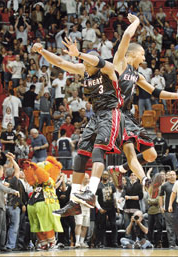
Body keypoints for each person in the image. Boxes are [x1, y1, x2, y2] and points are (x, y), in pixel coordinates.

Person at [32, 40, 125, 218]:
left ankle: (90, 192)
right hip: (95, 116)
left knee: (98, 152)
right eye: (83, 63)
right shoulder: (84, 70)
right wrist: (42, 51)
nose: (83, 66)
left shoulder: (107, 69)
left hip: (110, 113)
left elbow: (98, 62)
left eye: (87, 62)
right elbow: (60, 63)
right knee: (81, 155)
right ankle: (74, 202)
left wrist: (79, 54)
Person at [106, 14, 178, 182]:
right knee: (130, 152)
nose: (144, 57)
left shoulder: (137, 75)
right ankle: (145, 181)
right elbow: (126, 36)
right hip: (115, 114)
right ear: (134, 53)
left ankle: (119, 169)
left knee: (151, 154)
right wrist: (137, 22)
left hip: (128, 116)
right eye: (142, 54)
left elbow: (156, 92)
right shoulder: (120, 63)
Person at [95, 171, 118, 248]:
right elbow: (95, 199)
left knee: (114, 225)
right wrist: (99, 208)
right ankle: (102, 243)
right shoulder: (98, 186)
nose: (106, 176)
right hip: (102, 208)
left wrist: (117, 206)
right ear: (101, 175)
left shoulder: (112, 185)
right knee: (102, 226)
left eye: (107, 175)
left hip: (111, 208)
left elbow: (115, 197)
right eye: (104, 174)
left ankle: (114, 242)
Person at [159, 170, 177, 248]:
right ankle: (172, 244)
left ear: (176, 176)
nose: (172, 176)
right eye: (171, 174)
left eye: (174, 174)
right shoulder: (165, 185)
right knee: (170, 228)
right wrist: (161, 206)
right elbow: (160, 196)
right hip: (168, 210)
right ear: (168, 176)